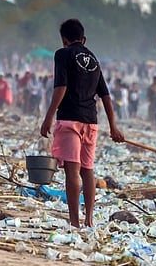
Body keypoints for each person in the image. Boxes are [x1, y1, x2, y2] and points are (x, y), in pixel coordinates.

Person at [40, 18, 124, 228]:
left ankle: (75, 221)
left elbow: (61, 87)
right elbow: (105, 96)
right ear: (83, 39)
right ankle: (89, 220)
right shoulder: (93, 59)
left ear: (64, 40)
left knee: (72, 170)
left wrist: (48, 116)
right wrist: (113, 127)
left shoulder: (62, 54)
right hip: (91, 122)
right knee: (87, 170)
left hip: (70, 119)